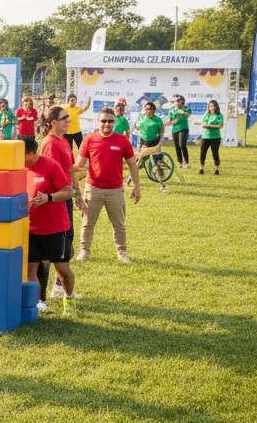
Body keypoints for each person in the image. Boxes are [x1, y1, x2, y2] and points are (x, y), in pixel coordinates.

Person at [74, 107, 141, 263]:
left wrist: (136, 186)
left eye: (110, 121)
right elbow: (79, 165)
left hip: (115, 190)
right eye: (103, 121)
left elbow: (132, 164)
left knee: (119, 224)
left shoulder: (122, 140)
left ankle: (122, 253)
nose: (107, 124)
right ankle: (84, 251)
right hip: (93, 189)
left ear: (114, 122)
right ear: (98, 121)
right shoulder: (89, 139)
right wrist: (70, 180)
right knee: (87, 222)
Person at [24, 136, 76, 313]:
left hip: (54, 228)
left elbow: (68, 192)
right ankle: (37, 303)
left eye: (21, 154)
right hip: (31, 229)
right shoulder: (18, 169)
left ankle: (69, 298)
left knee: (62, 269)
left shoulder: (51, 166)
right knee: (31, 268)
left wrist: (48, 198)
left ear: (32, 153)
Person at [38, 107, 86, 295]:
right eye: (64, 118)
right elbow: (51, 175)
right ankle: (43, 294)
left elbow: (72, 169)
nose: (68, 121)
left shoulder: (64, 141)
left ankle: (59, 286)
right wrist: (60, 197)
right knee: (56, 245)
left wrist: (78, 194)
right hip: (56, 200)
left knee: (67, 241)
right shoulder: (50, 143)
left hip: (66, 197)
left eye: (68, 118)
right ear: (53, 123)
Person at [136, 102, 168, 194]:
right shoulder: (141, 118)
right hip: (144, 142)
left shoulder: (158, 120)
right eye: (147, 109)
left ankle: (162, 185)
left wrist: (160, 144)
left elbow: (161, 132)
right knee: (138, 162)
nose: (148, 111)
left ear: (154, 110)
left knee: (155, 164)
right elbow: (138, 128)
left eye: (150, 109)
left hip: (154, 143)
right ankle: (130, 180)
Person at [196, 99, 224, 176]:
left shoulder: (219, 116)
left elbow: (220, 125)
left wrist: (209, 125)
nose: (211, 107)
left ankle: (217, 169)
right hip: (206, 136)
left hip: (215, 137)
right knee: (202, 153)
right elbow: (203, 124)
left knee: (215, 153)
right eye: (210, 106)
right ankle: (202, 168)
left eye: (213, 106)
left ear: (216, 107)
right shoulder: (206, 115)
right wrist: (210, 125)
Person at [169, 95, 192, 170]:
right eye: (176, 101)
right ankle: (180, 162)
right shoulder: (172, 109)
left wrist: (183, 113)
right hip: (175, 129)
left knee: (182, 144)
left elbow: (189, 114)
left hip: (184, 128)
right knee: (177, 146)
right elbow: (171, 120)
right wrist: (171, 120)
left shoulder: (186, 108)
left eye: (179, 101)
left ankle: (186, 162)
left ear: (183, 101)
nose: (177, 102)